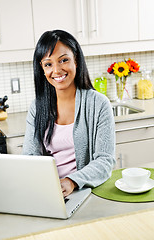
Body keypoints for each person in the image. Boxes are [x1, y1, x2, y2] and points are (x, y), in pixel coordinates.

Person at [23, 30, 116, 197]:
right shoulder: (37, 108)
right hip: (49, 192)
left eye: (63, 60)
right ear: (42, 69)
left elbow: (105, 161)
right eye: (48, 64)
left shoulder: (98, 104)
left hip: (85, 191)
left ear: (76, 61)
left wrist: (72, 181)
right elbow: (30, 157)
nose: (57, 70)